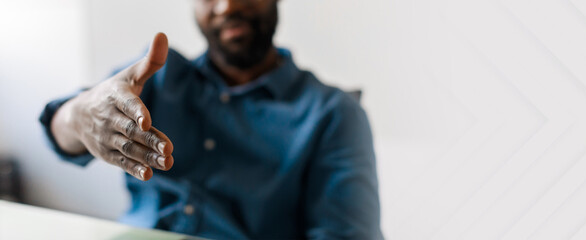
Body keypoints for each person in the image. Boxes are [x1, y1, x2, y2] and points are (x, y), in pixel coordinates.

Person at [39, 0, 382, 239]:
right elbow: (60, 130)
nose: (227, 6)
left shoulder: (333, 114)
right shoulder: (154, 78)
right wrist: (79, 115)